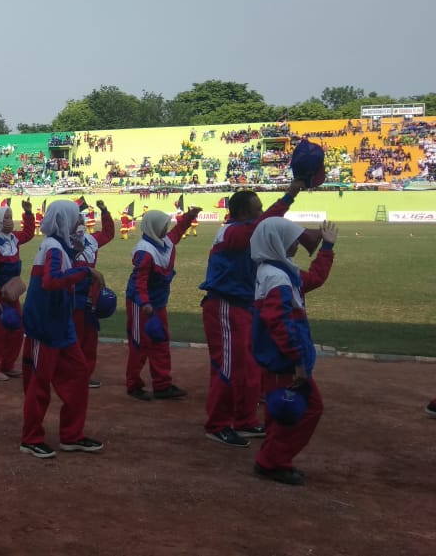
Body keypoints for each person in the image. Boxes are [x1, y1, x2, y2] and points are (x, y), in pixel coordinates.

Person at [199, 181, 303, 447]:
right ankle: (217, 424)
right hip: (224, 304)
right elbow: (262, 227)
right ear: (243, 214)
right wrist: (289, 196)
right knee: (228, 366)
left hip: (242, 305)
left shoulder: (245, 231)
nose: (261, 215)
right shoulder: (230, 232)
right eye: (257, 210)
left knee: (249, 366)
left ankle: (244, 420)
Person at [250, 218, 337, 485]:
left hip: (282, 359)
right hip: (285, 360)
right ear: (277, 242)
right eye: (292, 241)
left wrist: (327, 247)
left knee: (281, 412)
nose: (297, 245)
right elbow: (280, 322)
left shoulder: (278, 271)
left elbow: (316, 278)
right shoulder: (277, 276)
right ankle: (272, 461)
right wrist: (298, 360)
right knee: (306, 409)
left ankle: (272, 456)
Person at [20, 201, 105, 459]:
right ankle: (31, 438)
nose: (80, 222)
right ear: (65, 220)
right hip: (44, 325)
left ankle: (72, 435)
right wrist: (85, 272)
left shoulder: (61, 246)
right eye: (76, 218)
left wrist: (79, 260)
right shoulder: (53, 248)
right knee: (39, 384)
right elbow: (51, 280)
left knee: (79, 375)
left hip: (60, 324)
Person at [124, 208, 199, 401]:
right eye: (164, 225)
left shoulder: (164, 242)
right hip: (142, 303)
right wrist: (144, 303)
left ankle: (162, 384)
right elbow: (139, 281)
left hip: (157, 302)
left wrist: (190, 216)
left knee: (161, 341)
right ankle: (133, 385)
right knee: (140, 344)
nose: (167, 228)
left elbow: (178, 231)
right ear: (154, 227)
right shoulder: (145, 251)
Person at [0, 200, 36, 380]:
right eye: (6, 218)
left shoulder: (12, 239)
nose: (10, 221)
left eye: (11, 217)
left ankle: (8, 364)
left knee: (17, 329)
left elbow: (27, 233)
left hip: (10, 294)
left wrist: (28, 214)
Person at [72, 200, 115, 389]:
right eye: (76, 218)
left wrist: (104, 211)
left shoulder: (91, 240)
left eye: (81, 218)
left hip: (89, 296)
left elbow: (108, 233)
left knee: (89, 337)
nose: (80, 221)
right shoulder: (60, 242)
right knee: (73, 336)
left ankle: (83, 374)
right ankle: (67, 372)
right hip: (71, 296)